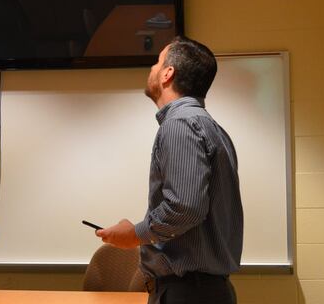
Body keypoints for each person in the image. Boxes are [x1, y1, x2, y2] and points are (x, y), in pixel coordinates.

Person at [97, 37, 243, 304]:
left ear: (168, 74)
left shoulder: (180, 124)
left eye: (157, 62)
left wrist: (135, 234)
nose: (152, 68)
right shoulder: (210, 127)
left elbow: (185, 207)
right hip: (201, 291)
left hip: (188, 294)